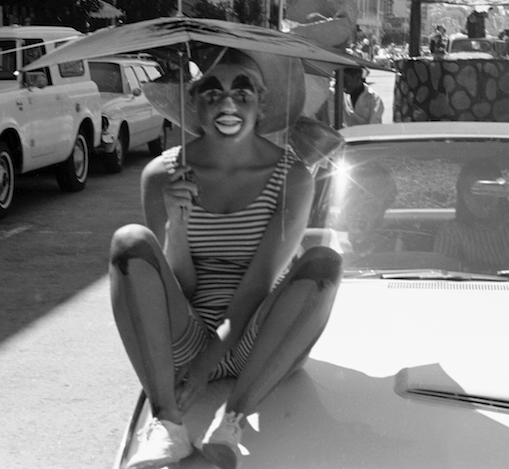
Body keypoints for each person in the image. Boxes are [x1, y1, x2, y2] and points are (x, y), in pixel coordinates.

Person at [110, 49, 342, 469]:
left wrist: (203, 367)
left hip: (260, 337)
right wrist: (175, 228)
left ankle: (230, 424)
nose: (228, 103)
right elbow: (183, 288)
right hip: (188, 332)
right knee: (129, 241)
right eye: (212, 93)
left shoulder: (292, 178)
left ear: (262, 103)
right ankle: (167, 426)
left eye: (242, 91)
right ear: (195, 104)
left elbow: (258, 284)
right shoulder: (163, 175)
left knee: (324, 261)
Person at [434, 161, 509, 271]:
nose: (481, 199)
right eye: (472, 193)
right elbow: (443, 279)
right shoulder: (452, 232)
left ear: (501, 195)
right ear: (462, 197)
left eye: (487, 192)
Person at [338, 161, 400, 260]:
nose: (360, 211)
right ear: (342, 205)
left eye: (370, 203)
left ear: (384, 209)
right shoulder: (323, 242)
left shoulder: (398, 249)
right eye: (354, 202)